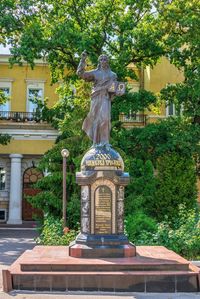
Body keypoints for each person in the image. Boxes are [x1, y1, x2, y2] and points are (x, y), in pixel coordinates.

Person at [77, 51, 119, 146]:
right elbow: (80, 74)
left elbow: (113, 90)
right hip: (95, 98)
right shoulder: (94, 73)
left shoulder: (113, 75)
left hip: (105, 97)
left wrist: (116, 92)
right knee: (95, 119)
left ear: (108, 61)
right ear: (99, 62)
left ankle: (105, 142)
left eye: (105, 59)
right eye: (101, 59)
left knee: (105, 118)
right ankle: (95, 142)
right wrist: (82, 60)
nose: (103, 61)